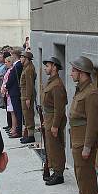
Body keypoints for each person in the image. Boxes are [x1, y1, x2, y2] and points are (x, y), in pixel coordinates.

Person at [66, 56, 98, 194]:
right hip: (77, 139)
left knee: (86, 174)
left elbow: (93, 123)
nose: (71, 73)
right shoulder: (81, 89)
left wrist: (87, 146)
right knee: (80, 173)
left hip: (84, 142)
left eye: (74, 70)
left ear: (82, 73)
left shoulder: (92, 93)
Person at [41, 57, 68, 186]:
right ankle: (55, 171)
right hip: (49, 118)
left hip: (54, 119)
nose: (46, 68)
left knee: (56, 147)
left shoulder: (57, 85)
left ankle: (59, 174)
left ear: (54, 67)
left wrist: (55, 125)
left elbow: (59, 108)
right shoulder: (51, 81)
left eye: (48, 66)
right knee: (51, 146)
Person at [19, 51, 37, 144]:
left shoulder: (29, 69)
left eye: (22, 57)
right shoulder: (26, 68)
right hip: (24, 94)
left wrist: (28, 98)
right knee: (26, 115)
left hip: (27, 95)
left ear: (26, 59)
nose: (20, 59)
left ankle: (31, 135)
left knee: (28, 115)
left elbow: (29, 85)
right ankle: (28, 134)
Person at [5, 50, 24, 137]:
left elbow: (12, 79)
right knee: (16, 112)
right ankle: (17, 129)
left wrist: (6, 86)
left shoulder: (17, 65)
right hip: (14, 91)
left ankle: (19, 130)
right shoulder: (17, 65)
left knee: (17, 112)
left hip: (15, 91)